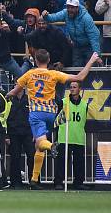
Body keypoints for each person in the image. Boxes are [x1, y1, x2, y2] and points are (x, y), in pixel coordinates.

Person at [8, 49, 100, 189]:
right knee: (39, 146)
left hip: (36, 113)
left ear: (36, 60)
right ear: (49, 60)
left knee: (42, 143)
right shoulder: (54, 74)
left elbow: (15, 92)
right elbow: (80, 77)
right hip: (51, 114)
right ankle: (34, 179)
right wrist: (91, 60)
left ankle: (52, 146)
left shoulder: (29, 74)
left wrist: (6, 95)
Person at [53, 81, 90, 190]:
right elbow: (57, 119)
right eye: (71, 87)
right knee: (62, 161)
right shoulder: (63, 102)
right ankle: (58, 182)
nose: (72, 89)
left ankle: (78, 182)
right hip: (64, 136)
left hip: (78, 137)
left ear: (80, 89)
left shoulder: (85, 104)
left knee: (79, 162)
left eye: (75, 87)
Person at [42, 0, 101, 67]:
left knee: (90, 68)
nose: (70, 10)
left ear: (77, 8)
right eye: (68, 7)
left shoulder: (86, 18)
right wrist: (46, 16)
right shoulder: (65, 13)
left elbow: (93, 36)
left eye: (72, 8)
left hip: (89, 46)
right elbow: (53, 18)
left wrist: (96, 54)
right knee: (76, 67)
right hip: (76, 46)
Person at [6, 89, 34, 189]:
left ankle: (34, 181)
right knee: (15, 158)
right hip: (14, 133)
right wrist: (7, 135)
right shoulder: (9, 100)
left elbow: (35, 116)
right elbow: (5, 118)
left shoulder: (30, 99)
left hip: (28, 132)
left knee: (32, 157)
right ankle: (15, 183)